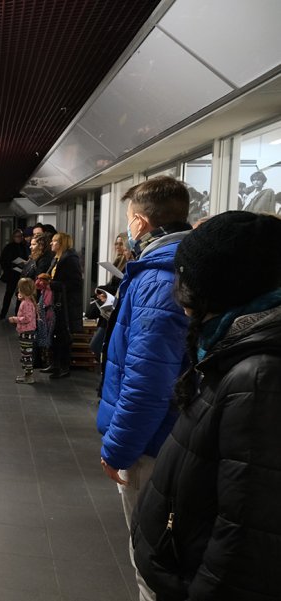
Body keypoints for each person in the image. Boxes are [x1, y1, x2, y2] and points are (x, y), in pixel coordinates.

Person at [132, 211, 281, 601]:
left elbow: (246, 531)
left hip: (187, 577)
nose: (181, 303)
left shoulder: (259, 376)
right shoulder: (237, 350)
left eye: (187, 286)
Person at [96, 175, 192, 601]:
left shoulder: (157, 278)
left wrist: (117, 447)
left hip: (154, 443)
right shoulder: (182, 267)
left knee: (150, 557)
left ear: (139, 222)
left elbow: (148, 379)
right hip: (178, 432)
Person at [43, 231, 83, 378]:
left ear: (62, 243)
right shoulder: (57, 259)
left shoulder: (70, 259)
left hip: (65, 304)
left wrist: (52, 284)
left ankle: (64, 366)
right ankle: (54, 364)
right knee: (54, 334)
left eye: (54, 241)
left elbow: (75, 283)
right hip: (55, 301)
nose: (51, 243)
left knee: (63, 336)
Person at [87, 232, 131, 359]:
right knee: (100, 346)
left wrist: (104, 289)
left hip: (116, 309)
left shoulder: (127, 263)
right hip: (111, 307)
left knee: (98, 345)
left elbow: (121, 287)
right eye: (116, 243)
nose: (118, 246)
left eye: (121, 243)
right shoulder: (118, 261)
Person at [8, 277, 37, 384]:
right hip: (25, 333)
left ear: (23, 290)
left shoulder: (26, 304)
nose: (18, 291)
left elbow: (27, 319)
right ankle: (26, 375)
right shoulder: (28, 301)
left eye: (20, 289)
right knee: (25, 354)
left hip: (27, 333)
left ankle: (29, 376)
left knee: (26, 356)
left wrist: (15, 319)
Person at [0, 229, 28, 319]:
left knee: (20, 295)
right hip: (12, 274)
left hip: (22, 275)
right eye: (17, 236)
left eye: (21, 236)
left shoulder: (24, 246)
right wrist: (9, 268)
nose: (20, 238)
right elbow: (3, 260)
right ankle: (3, 313)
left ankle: (17, 314)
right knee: (9, 294)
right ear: (13, 237)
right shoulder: (9, 247)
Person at [34, 273, 55, 369]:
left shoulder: (49, 291)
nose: (38, 282)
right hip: (42, 319)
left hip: (47, 318)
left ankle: (47, 362)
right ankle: (43, 361)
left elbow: (47, 304)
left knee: (46, 339)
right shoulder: (44, 290)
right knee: (42, 339)